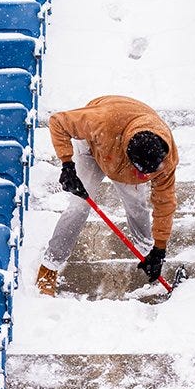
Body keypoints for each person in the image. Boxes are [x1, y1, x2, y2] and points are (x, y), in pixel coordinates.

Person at [35, 95, 178, 296]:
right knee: (78, 208)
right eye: (141, 172)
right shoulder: (100, 120)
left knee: (138, 208)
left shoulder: (165, 159)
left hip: (120, 156)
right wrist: (67, 165)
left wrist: (160, 248)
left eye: (149, 173)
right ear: (130, 157)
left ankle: (148, 254)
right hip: (94, 146)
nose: (145, 177)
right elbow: (58, 122)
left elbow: (165, 203)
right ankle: (49, 266)